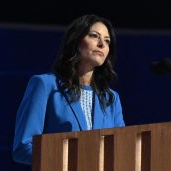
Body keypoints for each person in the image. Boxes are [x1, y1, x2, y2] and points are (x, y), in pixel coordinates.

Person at [12, 14, 125, 165]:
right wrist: (71, 161)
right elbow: (23, 148)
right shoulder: (45, 85)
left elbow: (122, 149)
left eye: (107, 41)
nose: (102, 44)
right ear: (77, 41)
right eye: (94, 36)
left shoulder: (111, 99)